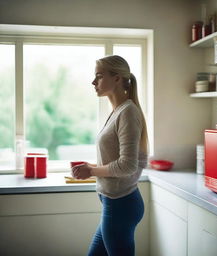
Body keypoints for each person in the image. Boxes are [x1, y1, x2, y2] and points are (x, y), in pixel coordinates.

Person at [71, 55, 148, 256]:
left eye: (99, 76)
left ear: (116, 78)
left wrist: (92, 170)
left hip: (121, 205)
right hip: (114, 204)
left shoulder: (128, 112)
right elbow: (117, 159)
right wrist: (92, 166)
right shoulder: (118, 111)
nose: (93, 82)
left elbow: (127, 165)